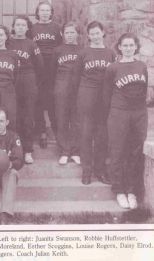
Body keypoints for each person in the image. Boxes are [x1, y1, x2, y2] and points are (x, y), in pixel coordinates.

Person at [103, 33, 154, 209]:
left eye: (131, 45)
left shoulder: (141, 66)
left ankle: (132, 191)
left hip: (138, 114)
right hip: (119, 113)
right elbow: (106, 95)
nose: (128, 48)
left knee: (135, 152)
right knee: (117, 151)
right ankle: (119, 190)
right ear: (119, 47)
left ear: (136, 47)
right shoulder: (112, 68)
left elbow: (143, 90)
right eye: (124, 45)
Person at [72, 21, 116, 185]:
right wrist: (81, 97)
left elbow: (114, 77)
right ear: (88, 36)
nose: (95, 36)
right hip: (87, 95)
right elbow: (76, 78)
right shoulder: (83, 53)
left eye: (98, 33)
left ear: (103, 33)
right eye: (92, 34)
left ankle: (100, 170)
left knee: (102, 135)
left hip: (104, 97)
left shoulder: (110, 53)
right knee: (85, 133)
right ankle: (87, 170)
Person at [8, 15, 43, 164]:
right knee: (12, 115)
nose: (21, 28)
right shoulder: (8, 42)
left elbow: (40, 67)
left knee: (28, 117)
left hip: (28, 79)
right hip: (11, 81)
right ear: (14, 27)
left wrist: (34, 83)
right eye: (18, 25)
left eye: (23, 25)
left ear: (28, 28)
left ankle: (28, 150)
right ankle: (13, 149)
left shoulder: (32, 44)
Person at [31, 0, 62, 148]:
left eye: (47, 10)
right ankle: (41, 131)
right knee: (37, 100)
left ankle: (56, 131)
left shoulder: (57, 28)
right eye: (41, 10)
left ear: (51, 12)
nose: (44, 13)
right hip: (36, 68)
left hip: (53, 68)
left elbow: (61, 48)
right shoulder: (32, 28)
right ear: (38, 12)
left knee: (51, 100)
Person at [50, 21, 82, 165]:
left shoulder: (83, 50)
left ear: (77, 34)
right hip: (61, 86)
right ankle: (64, 150)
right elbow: (51, 70)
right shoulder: (58, 50)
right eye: (67, 32)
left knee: (76, 120)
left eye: (72, 32)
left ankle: (75, 150)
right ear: (63, 34)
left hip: (78, 88)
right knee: (61, 119)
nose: (69, 35)